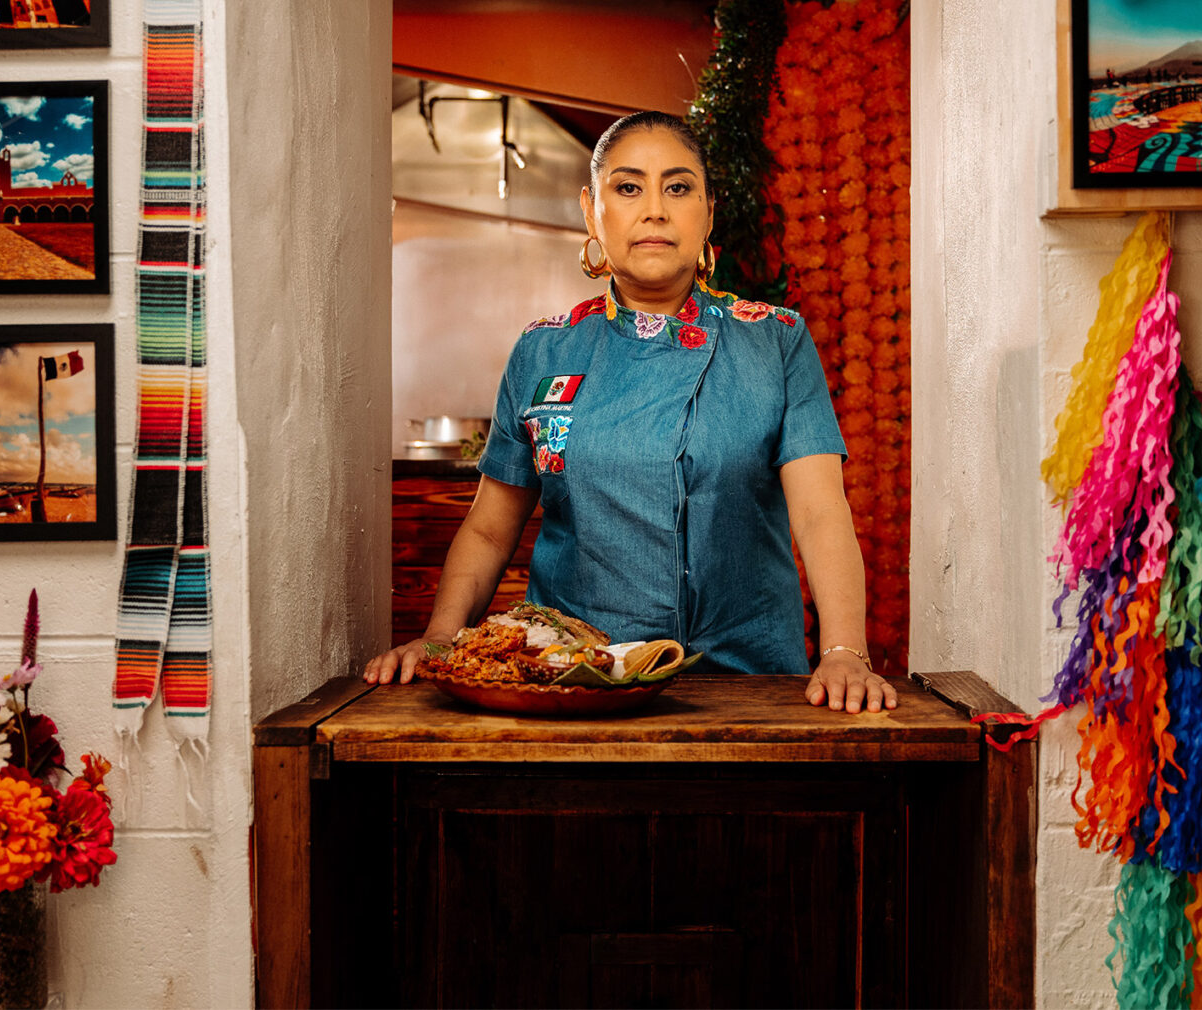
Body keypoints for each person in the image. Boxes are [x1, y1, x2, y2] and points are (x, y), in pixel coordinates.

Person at [365, 111, 897, 713]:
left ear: (708, 212)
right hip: (571, 687)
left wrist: (844, 652)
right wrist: (441, 638)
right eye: (628, 188)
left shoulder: (776, 342)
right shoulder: (545, 349)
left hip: (751, 687)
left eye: (678, 187)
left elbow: (821, 512)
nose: (655, 210)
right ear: (592, 211)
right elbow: (490, 528)